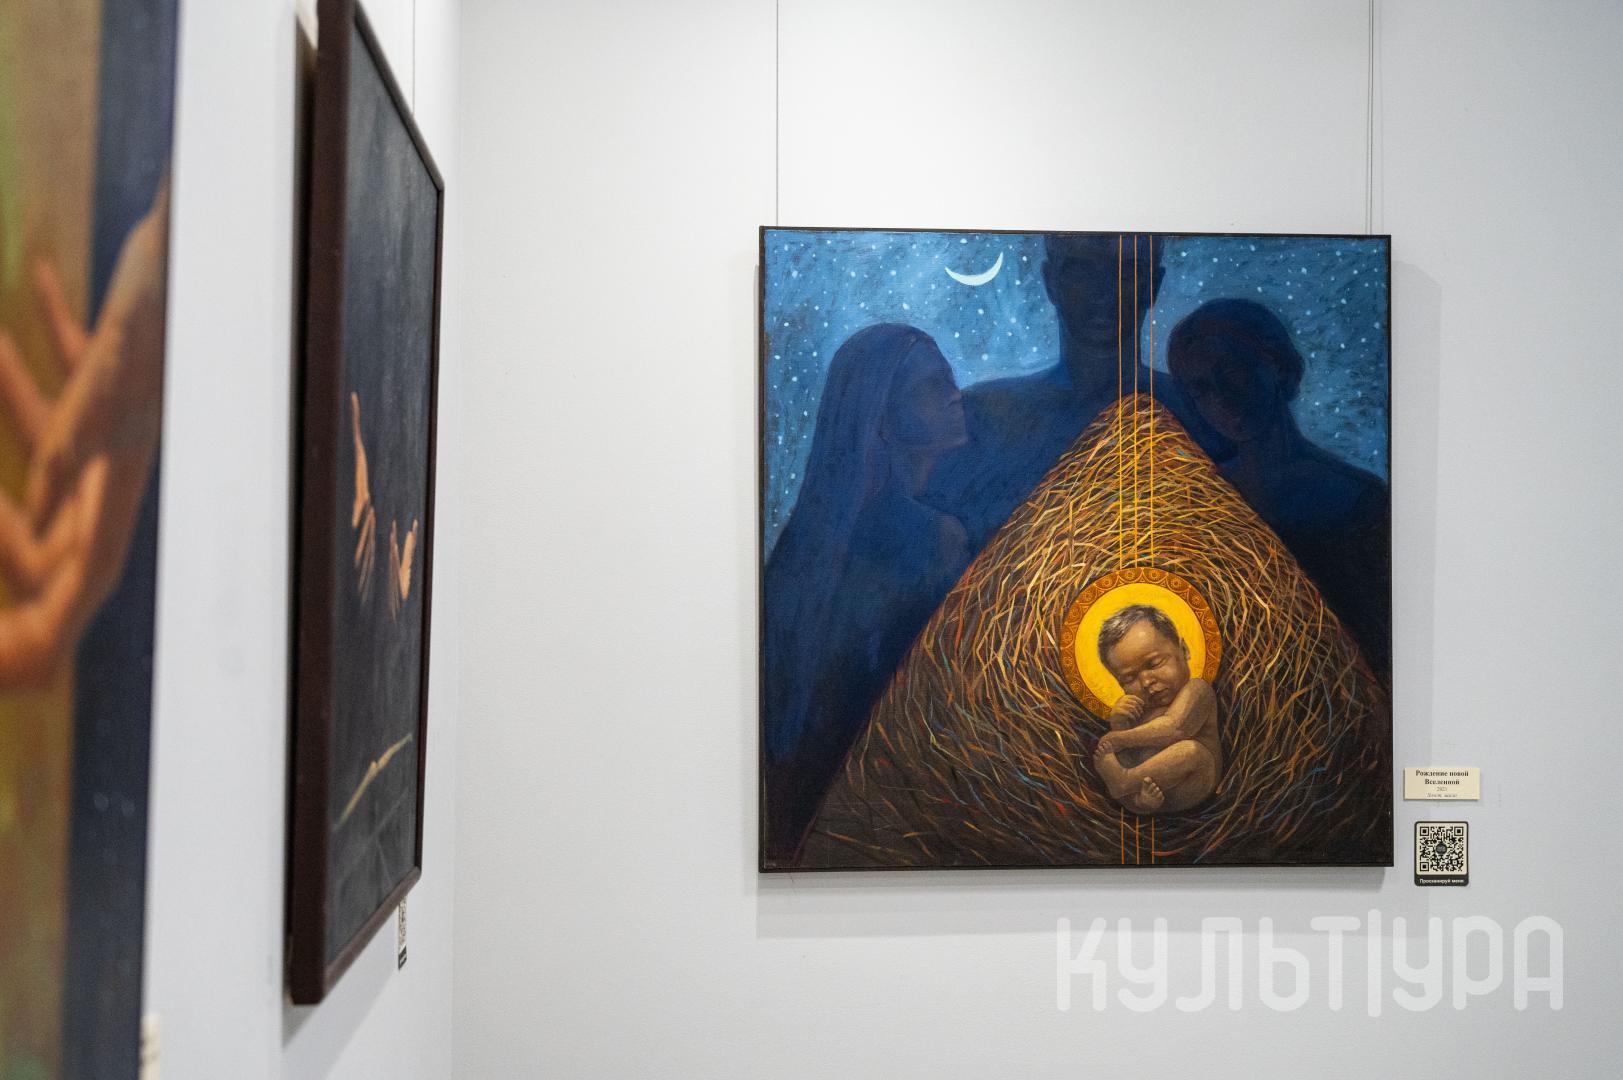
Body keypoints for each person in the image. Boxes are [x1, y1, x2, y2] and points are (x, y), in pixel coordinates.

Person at [762, 323, 970, 860]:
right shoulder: (937, 538)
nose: (954, 394)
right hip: (887, 793)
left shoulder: (804, 541)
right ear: (881, 416)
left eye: (949, 378)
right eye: (930, 386)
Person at [926, 233, 1225, 553]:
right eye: (1081, 271)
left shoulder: (1201, 414)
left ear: (1153, 285)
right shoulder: (981, 416)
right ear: (1050, 281)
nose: (1103, 291)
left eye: (1126, 272)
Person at [1166, 299, 1391, 673]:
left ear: (1278, 367)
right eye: (1201, 389)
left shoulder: (1356, 499)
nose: (1221, 397)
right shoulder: (1199, 499)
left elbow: (1377, 644)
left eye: (1232, 371)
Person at [1090, 605, 1222, 814]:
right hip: (1149, 794)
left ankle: (1125, 781)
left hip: (1197, 781)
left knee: (1191, 751)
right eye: (1129, 678)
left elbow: (1175, 728)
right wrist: (1120, 723)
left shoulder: (1197, 690)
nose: (1146, 682)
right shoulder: (1138, 710)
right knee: (1132, 780)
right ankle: (1139, 800)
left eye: (1154, 664)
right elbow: (1130, 757)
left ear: (1184, 650)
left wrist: (1120, 738)